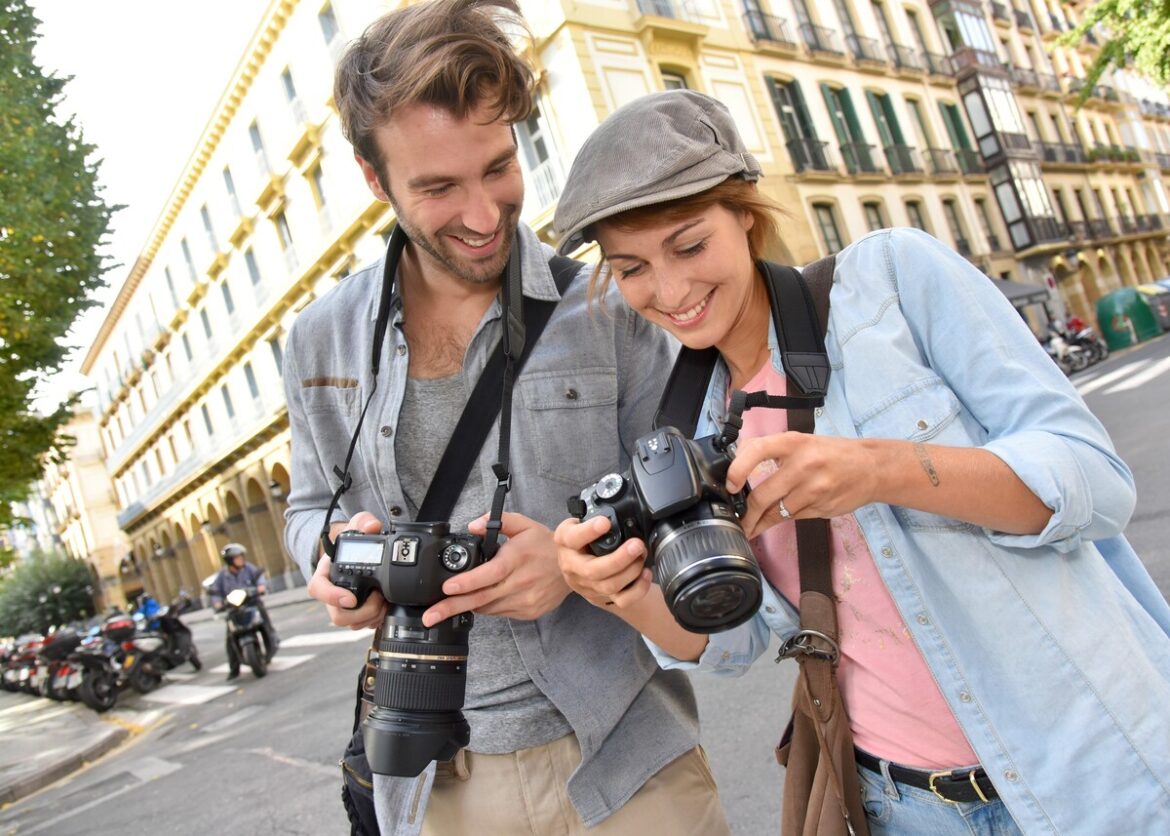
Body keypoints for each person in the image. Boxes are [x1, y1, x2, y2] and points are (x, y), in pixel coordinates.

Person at [552, 89, 1170, 835]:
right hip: (904, 807)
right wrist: (619, 591)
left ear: (745, 212)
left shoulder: (892, 282)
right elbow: (735, 641)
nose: (671, 291)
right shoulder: (688, 423)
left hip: (1090, 767)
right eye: (632, 269)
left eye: (689, 246)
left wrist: (882, 469)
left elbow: (1095, 482)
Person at [281, 3, 729, 834]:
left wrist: (576, 566)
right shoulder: (316, 340)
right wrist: (328, 558)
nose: (485, 216)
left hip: (629, 762)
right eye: (439, 188)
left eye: (498, 167)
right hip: (435, 781)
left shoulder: (610, 306)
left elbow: (690, 496)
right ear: (373, 179)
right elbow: (309, 504)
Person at [208, 543, 280, 680]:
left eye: (241, 557)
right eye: (237, 558)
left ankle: (272, 645)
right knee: (230, 637)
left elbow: (259, 577)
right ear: (230, 561)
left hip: (252, 603)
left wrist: (260, 587)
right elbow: (216, 592)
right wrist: (217, 603)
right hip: (234, 609)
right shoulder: (222, 576)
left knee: (265, 623)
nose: (241, 559)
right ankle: (234, 668)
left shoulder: (249, 568)